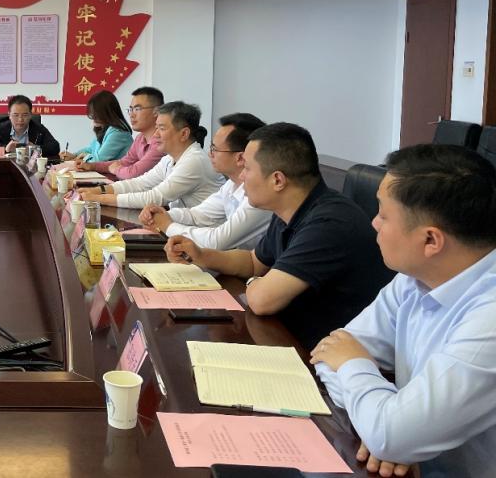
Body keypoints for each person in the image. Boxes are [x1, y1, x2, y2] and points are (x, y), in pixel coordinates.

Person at [311, 144, 496, 478]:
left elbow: (388, 433)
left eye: (383, 215)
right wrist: (386, 424)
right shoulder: (414, 279)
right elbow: (328, 353)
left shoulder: (489, 317)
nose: (373, 223)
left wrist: (391, 429)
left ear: (431, 241)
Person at [164, 122, 393, 351]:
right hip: (290, 336)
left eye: (248, 169)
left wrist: (254, 282)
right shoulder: (289, 209)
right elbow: (253, 262)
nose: (241, 176)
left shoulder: (330, 223)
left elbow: (262, 301)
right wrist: (202, 255)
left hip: (322, 357)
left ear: (277, 180)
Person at [138, 113, 271, 250]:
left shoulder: (261, 195)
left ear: (240, 158)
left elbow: (217, 241)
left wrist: (168, 226)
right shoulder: (231, 184)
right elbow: (198, 215)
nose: (209, 154)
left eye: (215, 149)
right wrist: (161, 215)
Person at [79, 101, 221, 210]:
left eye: (162, 128)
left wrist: (98, 198)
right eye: (156, 127)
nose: (156, 134)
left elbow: (155, 197)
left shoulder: (194, 161)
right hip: (184, 228)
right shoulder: (169, 159)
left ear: (184, 134)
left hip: (202, 234)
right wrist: (98, 190)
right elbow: (140, 183)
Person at [77, 87, 165, 179]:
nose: (131, 115)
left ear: (156, 111)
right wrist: (92, 166)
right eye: (130, 109)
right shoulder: (140, 138)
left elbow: (134, 173)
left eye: (137, 109)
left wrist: (115, 169)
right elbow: (124, 162)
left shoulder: (161, 141)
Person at [59, 90, 133, 163]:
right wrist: (74, 155)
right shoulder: (105, 128)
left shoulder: (118, 133)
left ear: (108, 112)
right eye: (92, 112)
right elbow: (91, 149)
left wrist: (85, 157)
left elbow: (98, 160)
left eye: (96, 113)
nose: (93, 116)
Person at [0, 94, 60, 158]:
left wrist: (35, 149)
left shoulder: (39, 129)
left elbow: (55, 147)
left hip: (30, 169)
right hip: (5, 168)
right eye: (16, 115)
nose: (20, 119)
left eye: (25, 115)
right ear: (9, 115)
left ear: (30, 115)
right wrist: (5, 149)